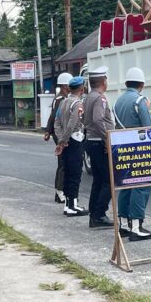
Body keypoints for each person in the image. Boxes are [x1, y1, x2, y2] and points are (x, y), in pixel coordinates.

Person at [114, 67, 151, 241]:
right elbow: (149, 128)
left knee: (126, 185)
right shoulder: (140, 101)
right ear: (142, 84)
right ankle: (137, 228)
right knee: (141, 185)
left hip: (123, 148)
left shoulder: (117, 101)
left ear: (126, 83)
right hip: (139, 150)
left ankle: (124, 225)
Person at [82, 66, 115, 228]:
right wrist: (107, 139)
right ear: (103, 82)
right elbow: (98, 120)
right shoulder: (100, 98)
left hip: (91, 141)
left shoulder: (88, 97)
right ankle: (99, 214)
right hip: (99, 142)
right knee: (109, 180)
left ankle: (94, 214)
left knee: (99, 180)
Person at [55, 76, 89, 217]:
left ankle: (68, 204)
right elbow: (72, 124)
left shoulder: (63, 102)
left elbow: (56, 123)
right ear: (82, 88)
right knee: (75, 173)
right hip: (74, 140)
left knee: (68, 173)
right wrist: (64, 140)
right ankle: (72, 205)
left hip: (66, 141)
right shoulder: (77, 104)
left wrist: (60, 139)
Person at [44, 73, 73, 203]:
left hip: (58, 132)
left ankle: (60, 192)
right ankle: (60, 191)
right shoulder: (61, 99)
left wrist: (48, 131)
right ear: (64, 85)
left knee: (64, 162)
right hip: (60, 134)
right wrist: (50, 132)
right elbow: (55, 116)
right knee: (63, 163)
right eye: (69, 85)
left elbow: (51, 116)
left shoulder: (61, 98)